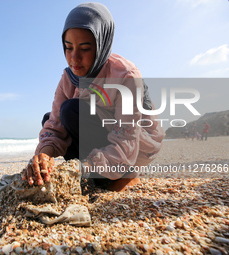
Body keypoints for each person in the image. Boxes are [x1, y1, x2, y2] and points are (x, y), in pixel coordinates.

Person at [22, 2, 165, 191]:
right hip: (100, 131)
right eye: (68, 47)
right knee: (50, 117)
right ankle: (97, 175)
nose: (74, 58)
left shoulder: (126, 76)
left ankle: (123, 176)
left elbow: (127, 140)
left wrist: (79, 169)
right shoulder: (69, 77)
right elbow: (54, 125)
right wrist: (43, 156)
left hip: (135, 145)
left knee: (72, 110)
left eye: (85, 48)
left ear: (101, 44)